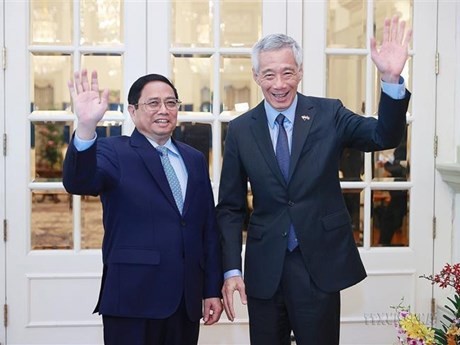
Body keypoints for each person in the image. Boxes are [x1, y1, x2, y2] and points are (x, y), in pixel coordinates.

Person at [216, 16, 412, 345]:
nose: (279, 84)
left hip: (318, 264)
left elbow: (383, 135)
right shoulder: (240, 130)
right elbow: (231, 208)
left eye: (288, 72)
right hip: (265, 268)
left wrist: (391, 79)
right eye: (269, 74)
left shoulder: (329, 114)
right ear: (256, 76)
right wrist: (232, 269)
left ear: (300, 72)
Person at [63, 70, 223, 345]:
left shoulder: (193, 158)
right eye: (154, 103)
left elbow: (206, 228)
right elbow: (79, 181)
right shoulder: (113, 151)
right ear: (133, 111)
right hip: (132, 300)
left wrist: (211, 289)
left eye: (171, 103)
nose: (164, 110)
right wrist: (87, 127)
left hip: (185, 302)